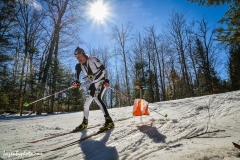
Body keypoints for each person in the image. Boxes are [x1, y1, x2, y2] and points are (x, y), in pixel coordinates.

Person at [72, 47, 114, 132]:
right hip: (92, 83)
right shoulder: (78, 66)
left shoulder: (93, 59)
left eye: (79, 56)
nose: (78, 59)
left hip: (101, 80)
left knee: (97, 98)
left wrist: (106, 80)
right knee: (86, 103)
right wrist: (76, 82)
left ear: (83, 54)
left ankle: (109, 121)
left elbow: (104, 70)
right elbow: (76, 76)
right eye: (76, 57)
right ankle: (84, 123)